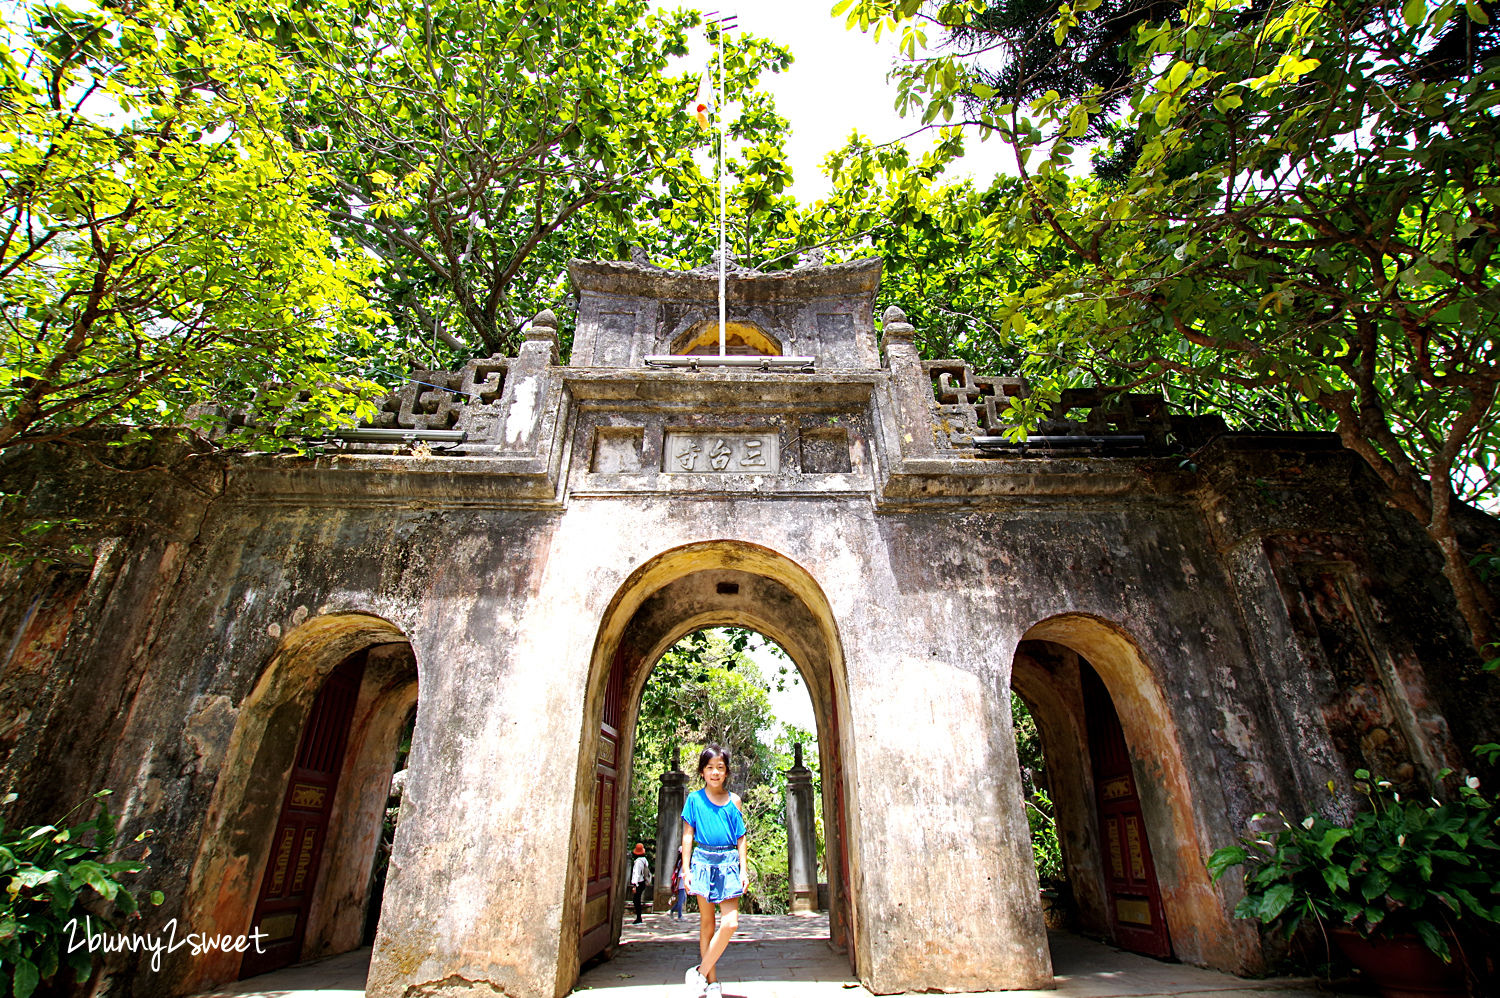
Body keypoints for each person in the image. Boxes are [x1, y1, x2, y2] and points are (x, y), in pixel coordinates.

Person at [681, 744, 748, 998]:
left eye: (720, 768)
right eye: (710, 768)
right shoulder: (694, 800)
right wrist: (686, 870)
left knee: (730, 923)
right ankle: (712, 982)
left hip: (729, 862)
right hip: (703, 861)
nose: (715, 773)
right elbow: (688, 836)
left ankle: (699, 972)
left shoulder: (734, 802)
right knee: (707, 924)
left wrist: (743, 870)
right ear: (702, 772)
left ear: (727, 772)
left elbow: (741, 837)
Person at [629, 842, 651, 924]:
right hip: (643, 882)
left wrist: (634, 885)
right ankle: (639, 917)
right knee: (637, 899)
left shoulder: (638, 862)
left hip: (638, 882)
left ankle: (639, 918)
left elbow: (636, 874)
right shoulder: (645, 861)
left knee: (636, 900)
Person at [669, 853, 686, 919]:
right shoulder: (682, 864)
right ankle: (679, 915)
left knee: (682, 899)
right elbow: (679, 875)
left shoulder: (679, 863)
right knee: (681, 900)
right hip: (681, 885)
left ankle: (672, 910)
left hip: (682, 885)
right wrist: (677, 885)